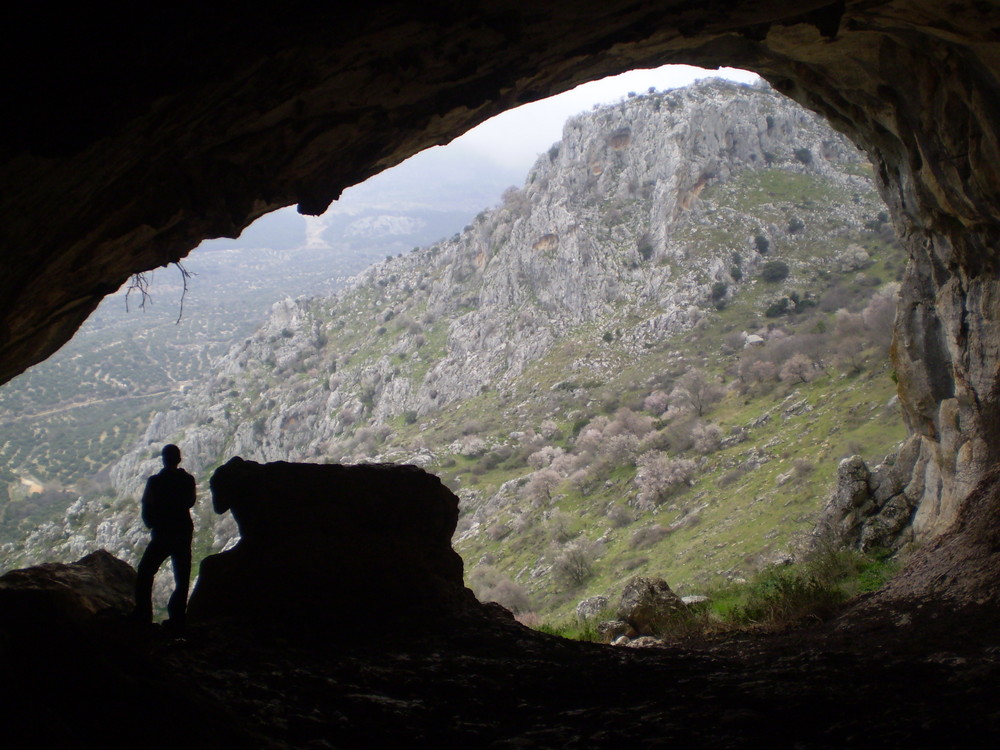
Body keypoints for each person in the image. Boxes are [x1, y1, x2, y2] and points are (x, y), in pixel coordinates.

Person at [132, 443, 196, 630]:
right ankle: (177, 618)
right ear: (179, 459)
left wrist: (152, 523)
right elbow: (190, 501)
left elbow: (147, 506)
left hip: (162, 533)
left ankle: (143, 614)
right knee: (182, 577)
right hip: (183, 532)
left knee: (145, 572)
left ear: (164, 459)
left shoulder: (155, 481)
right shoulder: (188, 480)